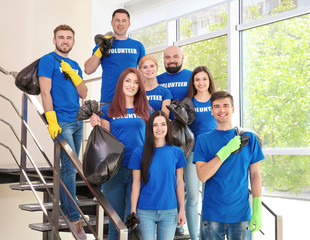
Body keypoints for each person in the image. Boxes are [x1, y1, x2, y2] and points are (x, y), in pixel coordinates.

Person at [38, 24, 88, 239]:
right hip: (62, 122)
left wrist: (75, 75)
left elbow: (83, 92)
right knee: (68, 168)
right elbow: (45, 91)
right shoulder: (48, 60)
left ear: (73, 42)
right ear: (54, 40)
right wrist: (51, 119)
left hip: (78, 121)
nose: (65, 41)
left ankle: (71, 208)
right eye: (61, 37)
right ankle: (73, 217)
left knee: (74, 168)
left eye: (68, 38)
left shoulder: (75, 64)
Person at [193, 91, 264, 240]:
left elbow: (255, 174)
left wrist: (257, 207)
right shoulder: (203, 140)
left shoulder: (248, 138)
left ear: (233, 109)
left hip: (241, 215)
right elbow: (202, 175)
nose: (222, 110)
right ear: (211, 111)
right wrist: (225, 152)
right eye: (216, 106)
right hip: (211, 216)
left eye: (226, 105)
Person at [89, 67, 150, 240]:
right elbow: (105, 141)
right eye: (128, 81)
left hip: (138, 171)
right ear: (121, 83)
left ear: (140, 86)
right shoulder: (109, 111)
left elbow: (151, 141)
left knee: (131, 221)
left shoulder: (147, 111)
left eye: (136, 82)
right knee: (115, 224)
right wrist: (97, 126)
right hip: (115, 171)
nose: (132, 85)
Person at [129, 111, 187, 240]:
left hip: (169, 210)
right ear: (150, 128)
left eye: (163, 124)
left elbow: (179, 183)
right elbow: (136, 183)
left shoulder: (177, 152)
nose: (159, 128)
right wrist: (133, 210)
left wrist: (182, 209)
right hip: (144, 211)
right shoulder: (139, 152)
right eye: (155, 125)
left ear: (168, 126)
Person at [157, 45, 193, 236]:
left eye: (175, 57)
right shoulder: (158, 80)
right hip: (165, 138)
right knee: (170, 180)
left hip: (187, 138)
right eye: (167, 57)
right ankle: (172, 222)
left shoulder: (191, 76)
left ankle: (182, 223)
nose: (171, 60)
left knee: (187, 184)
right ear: (163, 59)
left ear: (182, 58)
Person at [179, 66, 217, 240]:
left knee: (211, 197)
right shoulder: (187, 103)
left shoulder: (217, 101)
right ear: (193, 82)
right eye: (197, 79)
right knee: (193, 197)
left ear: (209, 80)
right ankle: (195, 237)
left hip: (216, 155)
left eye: (204, 79)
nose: (201, 83)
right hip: (193, 154)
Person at [84, 8, 145, 105]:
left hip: (132, 100)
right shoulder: (102, 45)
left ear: (129, 24)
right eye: (117, 20)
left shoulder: (137, 46)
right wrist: (101, 48)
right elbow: (88, 69)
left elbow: (144, 74)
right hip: (109, 99)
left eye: (124, 21)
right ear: (112, 23)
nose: (120, 24)